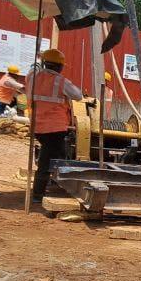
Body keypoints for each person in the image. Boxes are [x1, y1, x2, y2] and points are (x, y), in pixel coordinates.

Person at [27, 48, 83, 207]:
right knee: (47, 160)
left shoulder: (32, 77)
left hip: (37, 126)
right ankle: (38, 194)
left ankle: (57, 182)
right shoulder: (60, 81)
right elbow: (78, 96)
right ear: (60, 66)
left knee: (60, 154)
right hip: (54, 128)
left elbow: (33, 69)